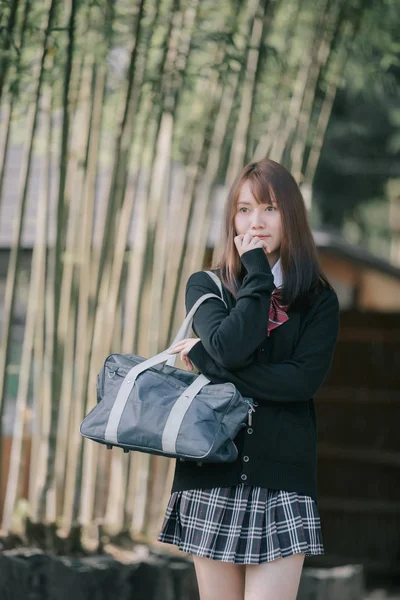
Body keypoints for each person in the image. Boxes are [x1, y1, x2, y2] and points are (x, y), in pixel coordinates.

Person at [157, 158, 340, 600]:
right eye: (243, 209)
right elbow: (232, 346)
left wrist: (210, 362)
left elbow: (299, 384)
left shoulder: (317, 299)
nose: (255, 221)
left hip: (282, 482)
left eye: (269, 208)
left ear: (291, 215)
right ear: (231, 218)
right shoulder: (207, 287)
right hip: (212, 474)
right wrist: (256, 272)